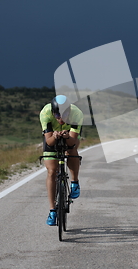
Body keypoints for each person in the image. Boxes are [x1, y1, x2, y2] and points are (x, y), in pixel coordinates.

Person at [40, 95, 84, 226]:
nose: (61, 118)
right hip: (52, 137)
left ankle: (75, 182)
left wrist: (66, 136)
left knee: (72, 151)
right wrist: (54, 136)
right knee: (52, 172)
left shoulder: (76, 114)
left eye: (65, 114)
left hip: (70, 137)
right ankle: (52, 210)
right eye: (57, 115)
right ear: (53, 112)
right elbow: (49, 141)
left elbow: (73, 141)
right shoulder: (45, 113)